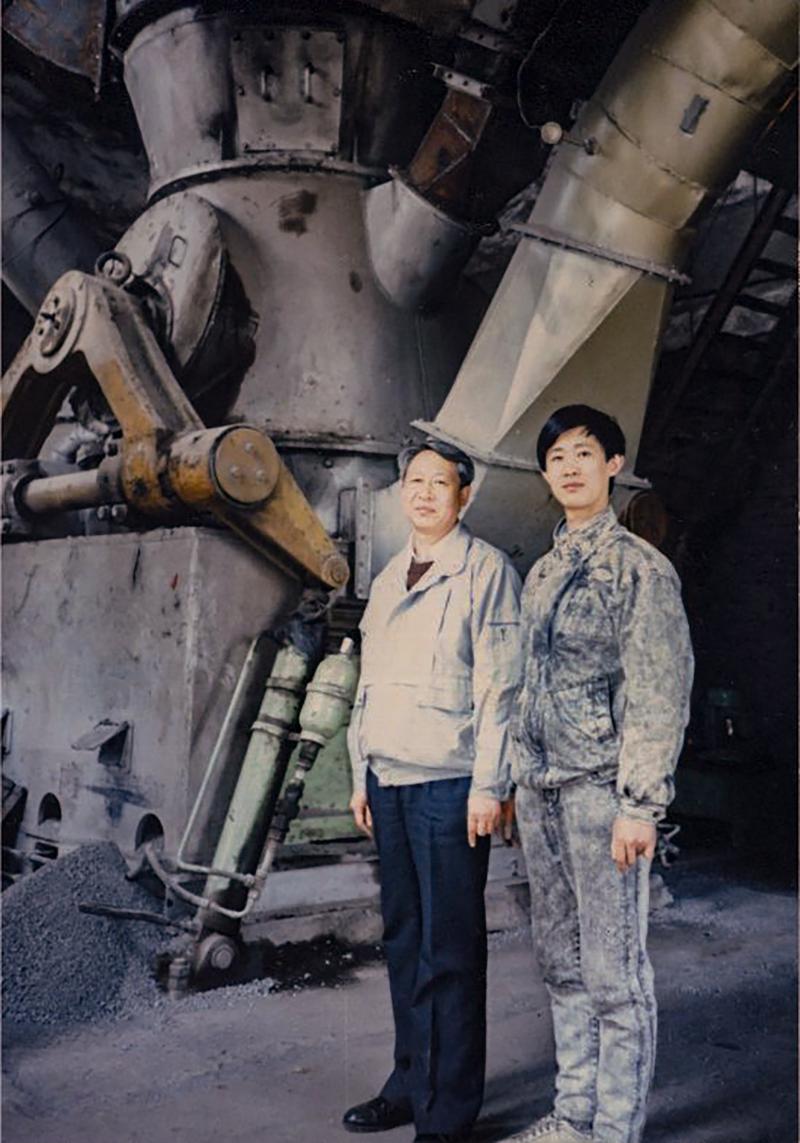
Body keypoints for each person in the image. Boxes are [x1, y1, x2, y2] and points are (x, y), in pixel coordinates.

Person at [504, 405, 693, 1143]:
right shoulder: (544, 570)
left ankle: (614, 1129)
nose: (570, 468)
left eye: (585, 453)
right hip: (542, 792)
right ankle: (572, 1113)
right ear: (546, 474)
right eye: (557, 458)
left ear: (613, 465)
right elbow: (527, 687)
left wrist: (640, 803)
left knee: (614, 975)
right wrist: (517, 779)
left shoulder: (639, 568)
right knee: (561, 963)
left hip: (600, 794)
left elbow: (658, 689)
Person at [344, 438, 521, 1143]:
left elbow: (501, 687)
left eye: (438, 483)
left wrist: (490, 784)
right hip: (389, 779)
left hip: (451, 785)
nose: (423, 493)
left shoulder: (487, 571)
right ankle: (409, 1082)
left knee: (448, 949)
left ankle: (446, 1113)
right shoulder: (390, 576)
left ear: (464, 496)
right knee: (403, 939)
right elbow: (369, 684)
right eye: (414, 481)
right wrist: (360, 770)